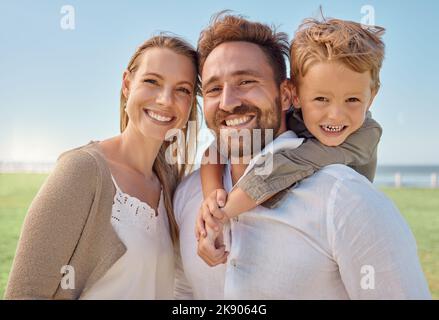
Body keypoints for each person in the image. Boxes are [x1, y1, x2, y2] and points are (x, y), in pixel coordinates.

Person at [174, 13, 431, 299]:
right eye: (213, 89)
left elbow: (282, 169)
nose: (228, 101)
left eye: (246, 82)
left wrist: (223, 212)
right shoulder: (186, 197)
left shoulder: (346, 199)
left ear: (286, 95)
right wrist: (213, 195)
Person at [5, 35, 199, 299]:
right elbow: (25, 293)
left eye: (182, 89)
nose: (165, 99)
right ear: (127, 85)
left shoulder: (172, 185)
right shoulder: (82, 170)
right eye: (152, 81)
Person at [196, 17, 385, 241]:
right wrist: (212, 193)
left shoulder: (363, 135)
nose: (335, 114)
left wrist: (221, 215)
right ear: (294, 96)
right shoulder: (293, 113)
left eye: (352, 100)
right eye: (321, 99)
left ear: (371, 97)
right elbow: (216, 148)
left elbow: (286, 166)